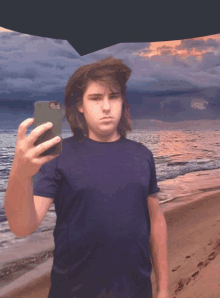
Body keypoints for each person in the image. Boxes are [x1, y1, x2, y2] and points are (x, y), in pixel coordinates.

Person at [4, 56, 169, 298]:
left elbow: (156, 223)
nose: (106, 107)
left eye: (113, 96)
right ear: (80, 105)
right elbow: (22, 226)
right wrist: (19, 174)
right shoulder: (58, 156)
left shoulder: (142, 155)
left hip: (136, 291)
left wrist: (163, 289)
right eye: (95, 98)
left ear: (122, 101)